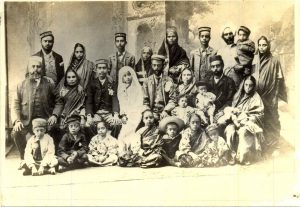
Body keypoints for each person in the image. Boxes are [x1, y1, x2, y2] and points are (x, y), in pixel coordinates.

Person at [11, 56, 63, 168]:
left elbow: (59, 101)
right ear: (28, 68)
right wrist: (17, 121)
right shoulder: (21, 85)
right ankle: (23, 158)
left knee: (58, 129)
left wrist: (54, 115)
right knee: (16, 132)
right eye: (33, 66)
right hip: (27, 121)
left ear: (42, 68)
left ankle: (53, 156)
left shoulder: (49, 83)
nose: (36, 69)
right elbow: (15, 105)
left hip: (45, 119)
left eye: (38, 67)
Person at [252, 36, 287, 147]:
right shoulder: (255, 60)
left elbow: (279, 79)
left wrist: (275, 95)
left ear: (268, 46)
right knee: (260, 116)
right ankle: (263, 142)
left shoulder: (274, 60)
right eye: (260, 45)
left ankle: (275, 140)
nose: (262, 47)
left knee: (272, 117)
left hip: (270, 94)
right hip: (258, 94)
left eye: (264, 45)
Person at [221, 76, 264, 165]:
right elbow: (232, 109)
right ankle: (232, 156)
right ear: (243, 85)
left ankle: (244, 157)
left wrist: (247, 117)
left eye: (251, 86)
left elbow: (259, 114)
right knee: (230, 130)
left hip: (248, 122)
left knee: (243, 131)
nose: (248, 88)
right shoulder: (238, 95)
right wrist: (234, 115)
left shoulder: (256, 98)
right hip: (235, 120)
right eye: (246, 85)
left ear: (254, 86)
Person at [85, 59, 121, 139]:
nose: (102, 70)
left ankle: (112, 144)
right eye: (99, 68)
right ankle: (96, 144)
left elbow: (115, 99)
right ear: (96, 69)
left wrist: (115, 114)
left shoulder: (112, 83)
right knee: (88, 125)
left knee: (117, 124)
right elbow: (89, 101)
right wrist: (89, 115)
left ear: (108, 69)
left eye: (104, 68)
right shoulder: (91, 84)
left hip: (109, 113)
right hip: (97, 113)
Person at [142, 55, 176, 120]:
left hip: (165, 111)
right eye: (154, 65)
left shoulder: (168, 80)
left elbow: (173, 100)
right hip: (151, 112)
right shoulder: (147, 82)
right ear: (151, 66)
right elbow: (145, 101)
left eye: (159, 65)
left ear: (163, 66)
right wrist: (149, 112)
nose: (156, 68)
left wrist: (166, 111)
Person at [117, 66, 144, 141]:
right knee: (124, 126)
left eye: (129, 75)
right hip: (125, 114)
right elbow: (121, 104)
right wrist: (122, 115)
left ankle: (129, 142)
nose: (127, 77)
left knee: (130, 126)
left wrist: (130, 113)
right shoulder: (121, 89)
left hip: (135, 112)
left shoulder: (137, 88)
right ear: (122, 78)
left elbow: (139, 103)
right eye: (125, 76)